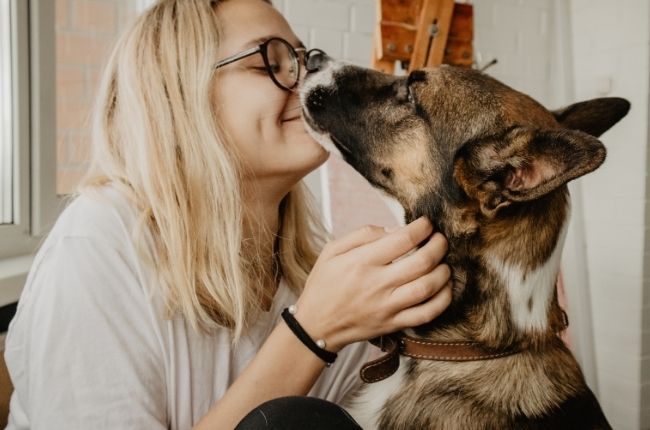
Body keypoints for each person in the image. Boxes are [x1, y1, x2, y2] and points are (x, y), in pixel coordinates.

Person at [3, 0, 452, 428]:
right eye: (269, 63)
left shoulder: (308, 275)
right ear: (177, 95)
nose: (303, 78)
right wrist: (311, 332)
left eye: (302, 58)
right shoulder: (96, 245)